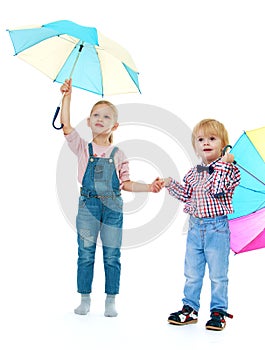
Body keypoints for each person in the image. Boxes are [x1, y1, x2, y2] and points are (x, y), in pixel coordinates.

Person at [60, 78, 163, 317]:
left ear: (115, 126)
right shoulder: (82, 148)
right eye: (96, 114)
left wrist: (149, 187)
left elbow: (125, 183)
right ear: (88, 121)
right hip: (87, 206)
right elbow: (65, 124)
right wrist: (66, 96)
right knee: (85, 253)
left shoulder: (119, 153)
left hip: (113, 208)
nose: (100, 119)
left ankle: (110, 299)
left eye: (107, 116)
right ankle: (84, 298)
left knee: (112, 254)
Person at [162, 118, 240, 331]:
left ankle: (218, 311)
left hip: (217, 229)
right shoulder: (194, 172)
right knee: (192, 272)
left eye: (212, 139)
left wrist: (224, 163)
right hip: (195, 228)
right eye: (201, 139)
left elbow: (217, 189)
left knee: (218, 274)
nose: (206, 142)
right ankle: (190, 308)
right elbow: (187, 195)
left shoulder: (230, 171)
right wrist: (170, 184)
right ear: (196, 146)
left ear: (224, 145)